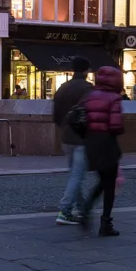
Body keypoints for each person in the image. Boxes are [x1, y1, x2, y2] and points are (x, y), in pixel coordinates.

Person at [78, 64, 125, 237]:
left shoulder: (89, 96)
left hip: (91, 143)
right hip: (107, 144)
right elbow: (116, 126)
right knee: (109, 184)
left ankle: (86, 210)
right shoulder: (114, 98)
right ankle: (105, 223)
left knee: (103, 180)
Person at [51, 57, 93, 225]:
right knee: (77, 175)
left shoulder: (62, 88)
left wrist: (65, 126)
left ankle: (81, 209)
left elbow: (55, 115)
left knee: (75, 175)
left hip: (66, 136)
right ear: (86, 71)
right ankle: (65, 210)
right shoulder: (88, 88)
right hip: (82, 137)